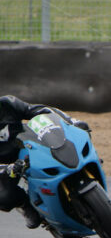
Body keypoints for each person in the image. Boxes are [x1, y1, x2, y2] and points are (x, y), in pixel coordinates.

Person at [0, 95, 89, 229]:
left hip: (25, 146)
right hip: (6, 165)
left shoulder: (8, 103)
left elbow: (42, 110)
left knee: (74, 135)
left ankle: (85, 166)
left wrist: (71, 121)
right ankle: (25, 205)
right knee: (4, 196)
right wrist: (6, 169)